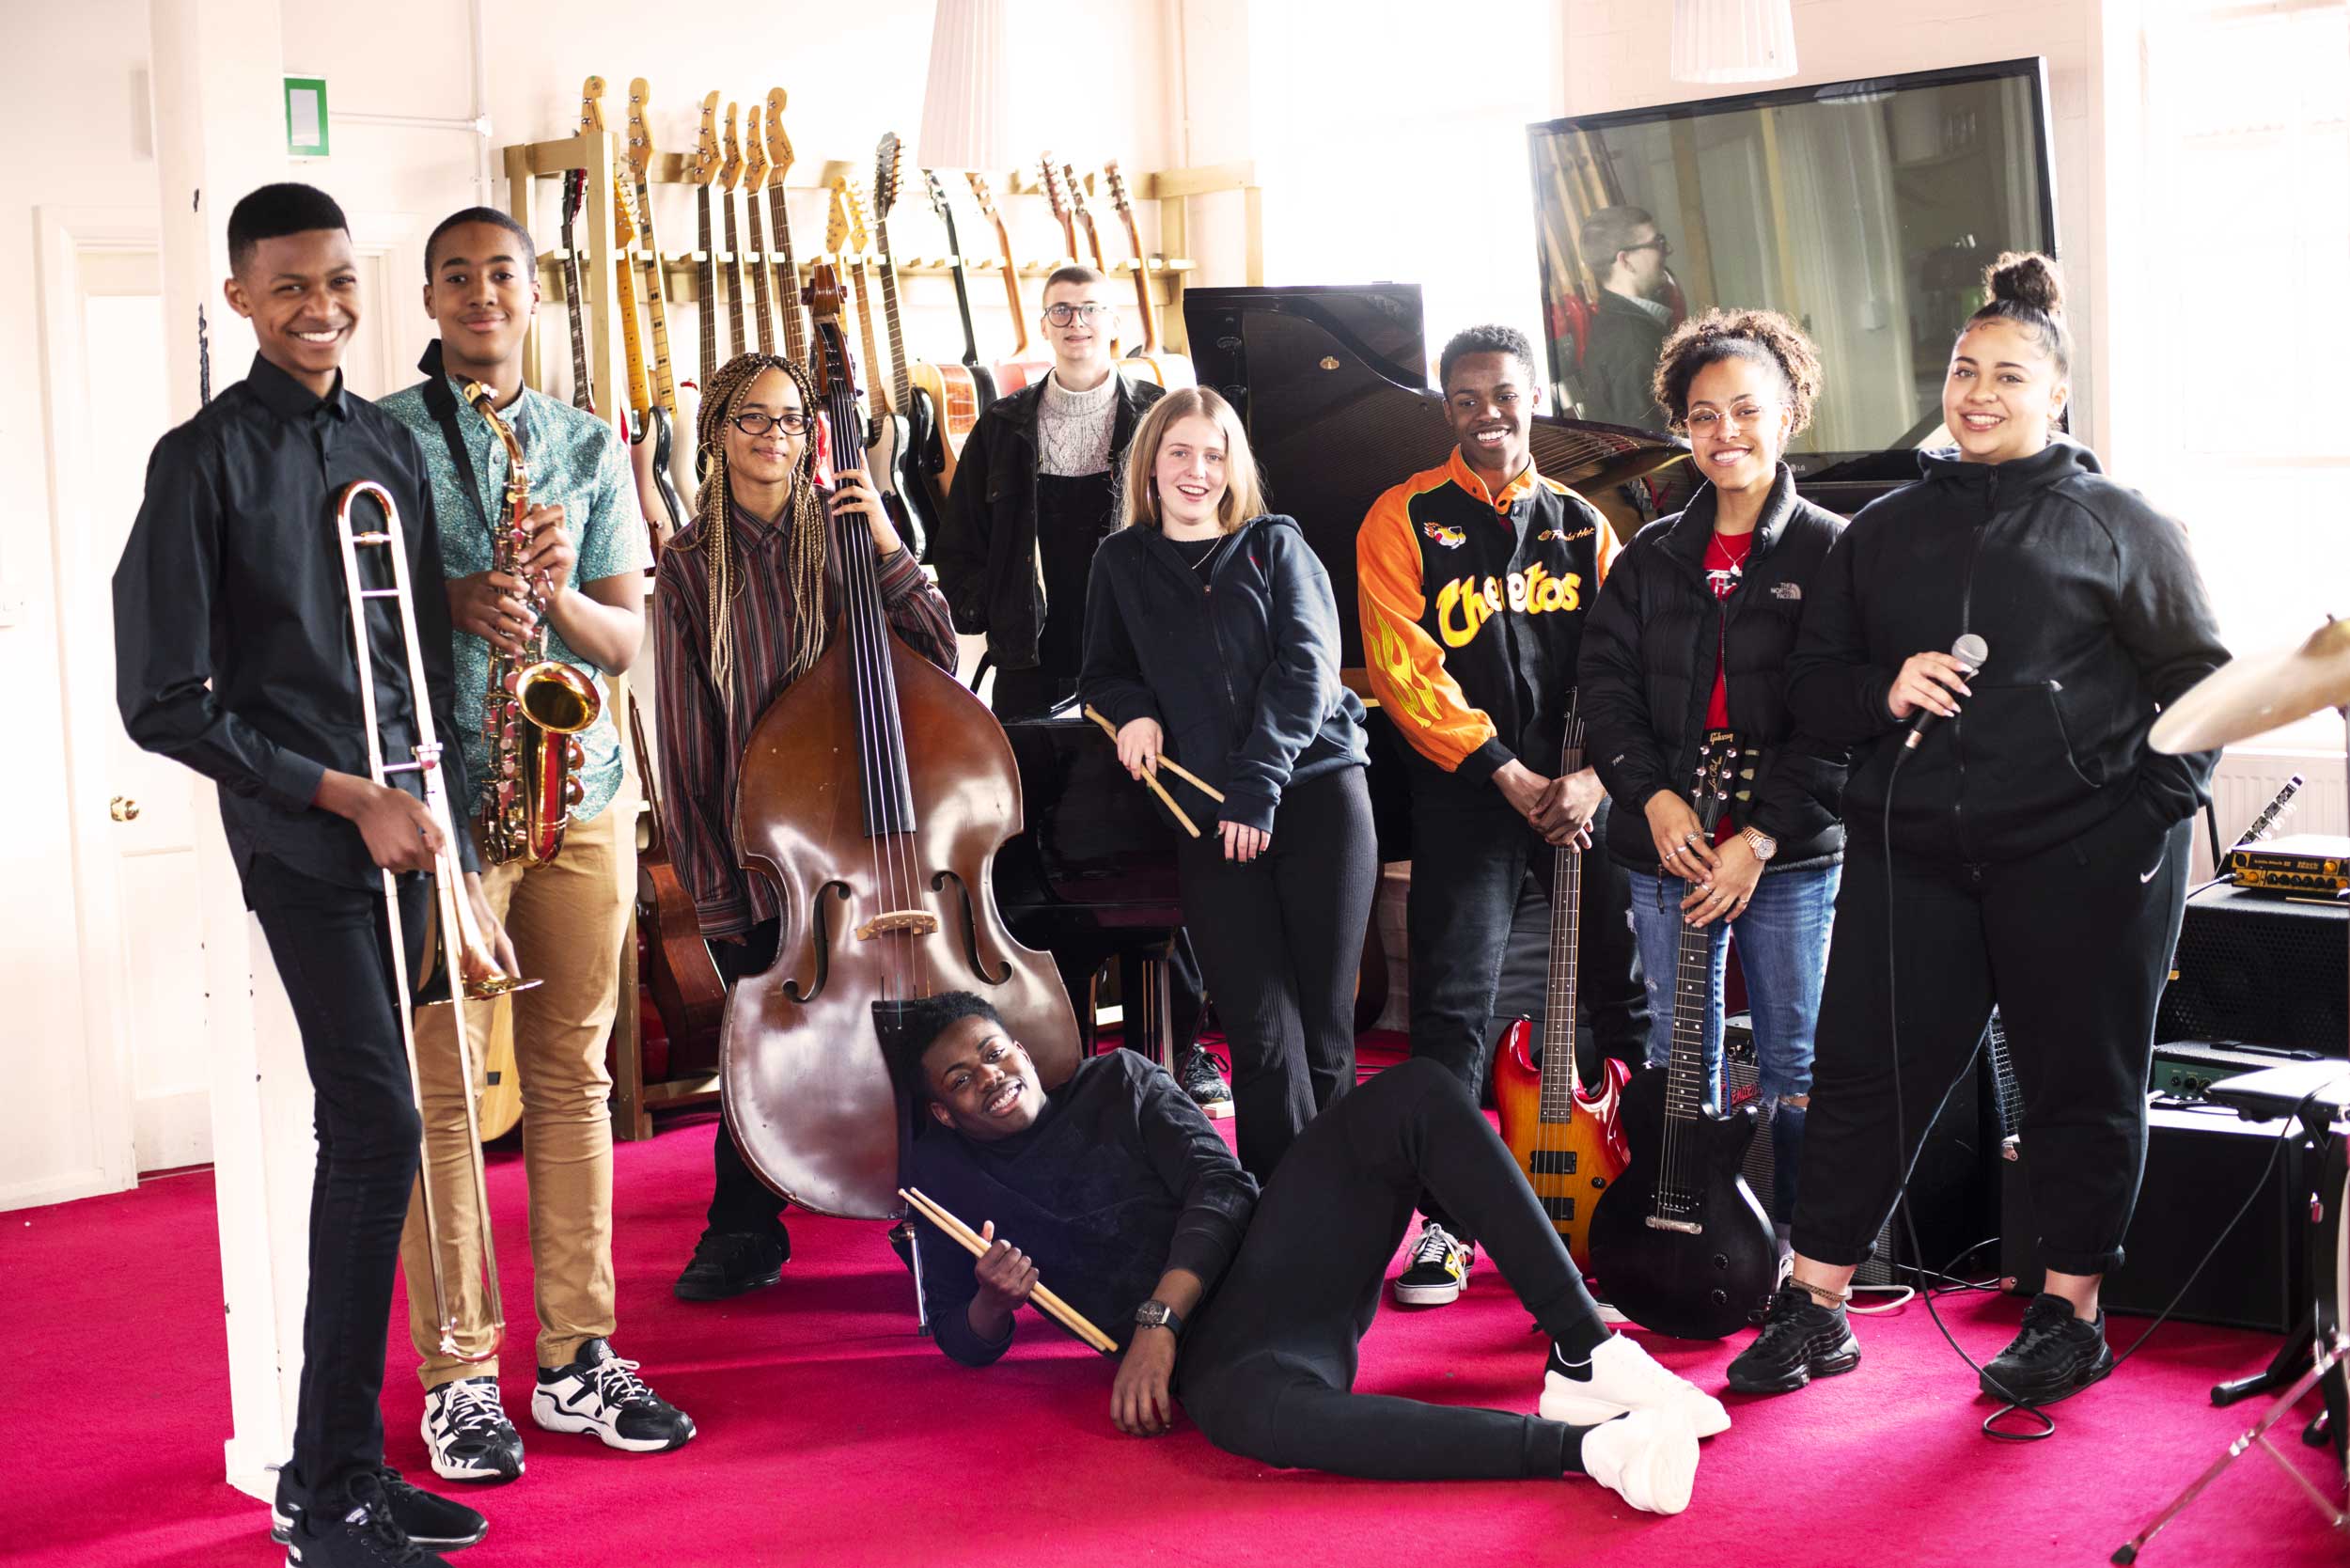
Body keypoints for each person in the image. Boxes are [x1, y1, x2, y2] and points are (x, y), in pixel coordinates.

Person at [1728, 255, 2229, 1404]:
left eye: (2009, 374)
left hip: (2083, 860)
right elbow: (1812, 689)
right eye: (1962, 370)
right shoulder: (1879, 530)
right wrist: (1882, 689)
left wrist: (2141, 822)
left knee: (2076, 1089)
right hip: (1914, 861)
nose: (1978, 391)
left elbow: (2204, 686)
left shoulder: (2121, 524)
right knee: (1862, 1080)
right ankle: (1815, 1306)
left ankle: (2068, 1315)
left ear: (2056, 394)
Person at [113, 182, 494, 1566]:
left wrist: (453, 807)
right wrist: (347, 796)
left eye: (338, 281)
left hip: (409, 833)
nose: (321, 307)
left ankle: (351, 1470)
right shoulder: (197, 463)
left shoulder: (386, 438)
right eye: (289, 287)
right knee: (380, 1130)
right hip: (306, 841)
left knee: (388, 1137)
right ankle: (320, 1489)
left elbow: (413, 658)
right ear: (240, 301)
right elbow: (164, 699)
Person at [893, 992, 1728, 1514]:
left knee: (1417, 1092)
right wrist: (993, 1304)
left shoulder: (1120, 1083)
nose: (990, 1075)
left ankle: (1586, 1355)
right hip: (1224, 1360)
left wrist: (1157, 1319)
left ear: (1020, 1047)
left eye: (993, 1051)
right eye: (961, 1078)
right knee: (1253, 1425)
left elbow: (1225, 1190)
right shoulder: (946, 1187)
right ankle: (1588, 1449)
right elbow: (962, 1343)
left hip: (1273, 1259)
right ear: (942, 1112)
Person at [379, 206, 693, 1483]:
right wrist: (449, 597)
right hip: (444, 806)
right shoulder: (383, 439)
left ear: (533, 288)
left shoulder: (584, 445)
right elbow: (338, 614)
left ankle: (577, 1359)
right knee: (445, 1090)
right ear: (431, 297)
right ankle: (460, 1372)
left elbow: (625, 645)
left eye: (501, 274)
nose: (481, 296)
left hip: (582, 797)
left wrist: (555, 593)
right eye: (456, 277)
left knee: (571, 1084)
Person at [655, 351, 959, 1301]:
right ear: (717, 433)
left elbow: (941, 657)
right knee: (765, 1038)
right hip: (773, 855)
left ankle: (939, 1212)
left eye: (793, 420)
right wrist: (715, 889)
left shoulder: (845, 538)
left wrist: (890, 553)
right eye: (754, 419)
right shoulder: (687, 565)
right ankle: (744, 1230)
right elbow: (684, 736)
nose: (777, 437)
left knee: (922, 1026)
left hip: (877, 834)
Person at [1357, 322, 1649, 1307]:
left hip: (1581, 796)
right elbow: (1404, 669)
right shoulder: (1401, 518)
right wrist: (1501, 770)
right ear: (1446, 408)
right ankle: (1445, 1224)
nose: (1488, 416)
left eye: (1505, 396)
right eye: (1468, 400)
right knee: (1451, 1014)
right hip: (1468, 798)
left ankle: (1643, 1198)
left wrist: (1597, 782)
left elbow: (1627, 671)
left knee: (1627, 999)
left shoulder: (1583, 522)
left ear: (1536, 397)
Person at [1576, 308, 1848, 1247]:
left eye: (1744, 410)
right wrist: (1649, 799)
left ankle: (1793, 1258)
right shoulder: (1649, 554)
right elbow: (1604, 691)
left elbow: (1841, 722)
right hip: (1667, 845)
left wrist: (1759, 839)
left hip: (1788, 854)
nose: (1723, 432)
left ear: (1788, 415)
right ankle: (1688, 1236)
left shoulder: (1833, 551)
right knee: (1673, 1053)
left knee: (1793, 1059)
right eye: (1702, 415)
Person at [932, 268, 1225, 1118]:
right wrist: (982, 607)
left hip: (1140, 667)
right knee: (1045, 858)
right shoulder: (1003, 426)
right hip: (1036, 667)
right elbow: (960, 546)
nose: (1074, 324)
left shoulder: (1159, 418)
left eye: (1089, 311)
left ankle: (1188, 1040)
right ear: (1044, 323)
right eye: (1059, 311)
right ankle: (1057, 1044)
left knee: (1161, 850)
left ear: (1115, 322)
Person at [1080, 388, 1374, 1182]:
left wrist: (1258, 787)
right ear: (1151, 463)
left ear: (1233, 466)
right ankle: (1284, 1208)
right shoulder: (1121, 561)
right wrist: (1132, 712)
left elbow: (1307, 672)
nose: (1196, 470)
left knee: (1322, 1029)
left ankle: (1346, 1207)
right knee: (1257, 1034)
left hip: (1314, 795)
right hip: (1208, 816)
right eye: (1179, 451)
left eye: (1214, 455)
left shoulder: (1276, 544)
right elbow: (1101, 672)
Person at [1575, 206, 1674, 430]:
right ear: (1626, 260)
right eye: (1656, 243)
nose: (1666, 250)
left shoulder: (1614, 327)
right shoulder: (1634, 343)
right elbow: (1649, 448)